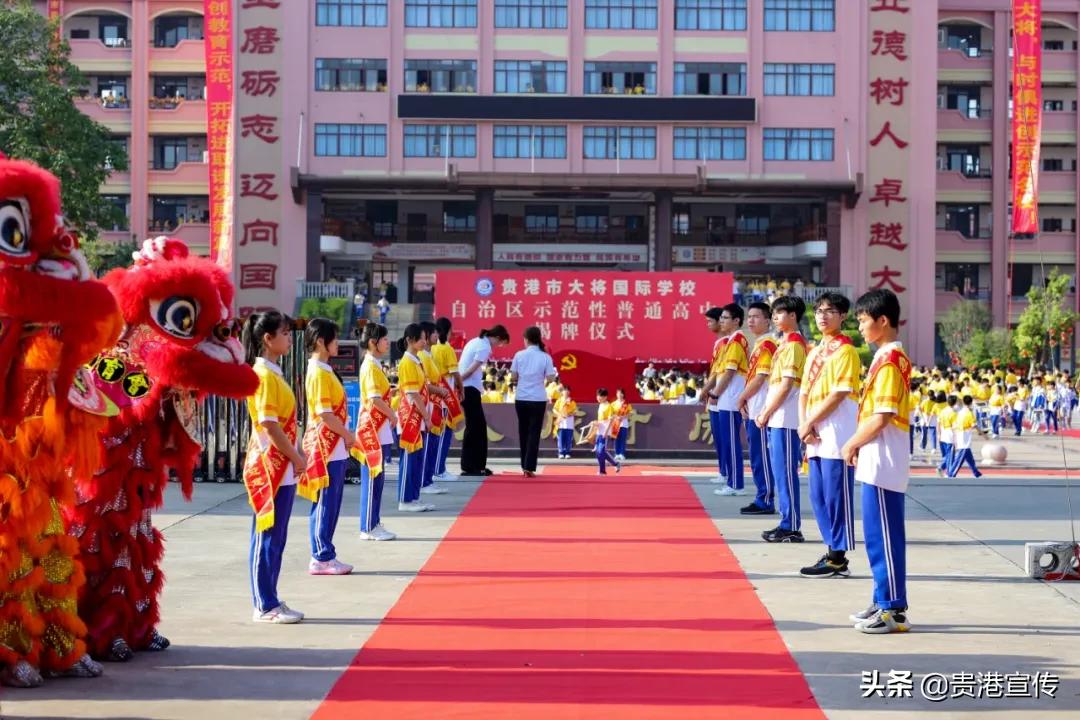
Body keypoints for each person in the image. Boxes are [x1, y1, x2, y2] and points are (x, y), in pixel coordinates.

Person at [842, 288, 911, 634]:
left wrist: (850, 444)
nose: (861, 328)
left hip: (884, 462)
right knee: (876, 536)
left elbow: (882, 416)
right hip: (877, 461)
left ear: (882, 322)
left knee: (884, 537)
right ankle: (881, 598)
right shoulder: (884, 358)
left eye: (864, 321)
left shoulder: (890, 361)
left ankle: (893, 609)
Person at [242, 311, 306, 624]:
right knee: (267, 535)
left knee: (276, 536)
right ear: (268, 339)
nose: (289, 338)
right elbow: (268, 424)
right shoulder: (264, 376)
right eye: (285, 333)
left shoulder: (273, 373)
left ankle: (270, 597)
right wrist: (294, 456)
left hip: (282, 462)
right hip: (271, 463)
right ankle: (264, 603)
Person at [798, 292, 860, 578]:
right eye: (820, 311)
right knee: (818, 495)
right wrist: (804, 425)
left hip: (837, 431)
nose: (823, 316)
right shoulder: (814, 351)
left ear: (843, 316)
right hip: (814, 431)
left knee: (836, 494)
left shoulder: (846, 351)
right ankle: (831, 548)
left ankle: (838, 556)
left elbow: (839, 394)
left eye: (831, 311)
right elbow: (804, 393)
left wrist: (809, 422)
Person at [301, 318, 355, 576]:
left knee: (331, 502)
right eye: (334, 338)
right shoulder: (318, 372)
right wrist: (347, 434)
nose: (338, 343)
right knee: (325, 502)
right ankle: (321, 556)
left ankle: (326, 553)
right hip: (326, 444)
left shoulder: (325, 370)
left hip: (334, 444)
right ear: (321, 341)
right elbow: (324, 414)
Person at [757, 296, 808, 543]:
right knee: (780, 473)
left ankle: (791, 525)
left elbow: (787, 385)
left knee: (786, 474)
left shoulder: (795, 345)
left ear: (793, 316)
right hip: (779, 417)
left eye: (779, 314)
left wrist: (767, 411)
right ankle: (786, 521)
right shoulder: (785, 345)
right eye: (774, 314)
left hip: (787, 419)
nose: (775, 318)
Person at [353, 323, 397, 541]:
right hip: (371, 427)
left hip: (377, 427)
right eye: (384, 338)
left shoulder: (376, 364)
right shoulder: (369, 366)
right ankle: (368, 526)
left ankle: (374, 522)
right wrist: (392, 414)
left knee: (377, 477)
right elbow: (374, 399)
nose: (387, 342)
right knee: (372, 478)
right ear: (373, 342)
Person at [737, 302, 776, 516]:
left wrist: (741, 398)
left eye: (756, 317)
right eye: (749, 317)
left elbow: (761, 377)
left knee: (761, 457)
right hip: (754, 408)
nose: (750, 320)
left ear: (767, 320)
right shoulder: (759, 344)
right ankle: (761, 496)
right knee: (755, 456)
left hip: (761, 409)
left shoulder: (768, 345)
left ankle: (765, 499)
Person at [459, 325, 511, 476]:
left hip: (467, 388)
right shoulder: (484, 347)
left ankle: (471, 465)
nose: (498, 346)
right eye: (501, 343)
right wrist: (459, 382)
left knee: (474, 427)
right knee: (477, 428)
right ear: (498, 337)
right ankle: (475, 466)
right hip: (469, 389)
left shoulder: (475, 341)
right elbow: (469, 370)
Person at [395, 324, 435, 512]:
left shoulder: (416, 360)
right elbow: (412, 394)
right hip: (410, 417)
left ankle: (413, 497)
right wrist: (426, 416)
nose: (424, 342)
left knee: (417, 460)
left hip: (418, 416)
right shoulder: (407, 362)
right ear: (410, 340)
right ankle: (405, 499)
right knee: (409, 459)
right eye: (421, 338)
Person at [713, 303, 750, 498]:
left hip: (731, 397)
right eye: (721, 318)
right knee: (728, 441)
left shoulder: (736, 341)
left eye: (725, 318)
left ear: (736, 320)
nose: (721, 321)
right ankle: (732, 481)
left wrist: (715, 393)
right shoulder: (731, 341)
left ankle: (736, 484)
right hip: (727, 399)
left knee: (732, 442)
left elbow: (730, 371)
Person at [510, 325, 557, 477]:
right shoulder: (545, 357)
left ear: (527, 339)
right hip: (538, 398)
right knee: (534, 432)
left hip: (522, 397)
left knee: (523, 431)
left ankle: (524, 465)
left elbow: (513, 376)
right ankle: (529, 467)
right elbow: (551, 378)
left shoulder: (519, 355)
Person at [418, 322, 451, 497]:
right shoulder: (422, 356)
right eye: (433, 334)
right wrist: (439, 390)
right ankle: (425, 480)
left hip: (436, 403)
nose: (436, 336)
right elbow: (424, 385)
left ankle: (428, 479)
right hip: (429, 403)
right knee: (428, 444)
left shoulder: (429, 355)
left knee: (432, 445)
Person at [431, 317, 464, 483]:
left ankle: (437, 468)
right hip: (446, 397)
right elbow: (455, 372)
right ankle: (439, 469)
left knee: (438, 436)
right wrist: (461, 388)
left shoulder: (432, 349)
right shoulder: (446, 348)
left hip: (435, 396)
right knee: (444, 435)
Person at [703, 307, 730, 486]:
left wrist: (706, 390)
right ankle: (723, 471)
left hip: (720, 396)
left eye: (710, 321)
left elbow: (719, 372)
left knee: (723, 438)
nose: (708, 325)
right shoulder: (719, 342)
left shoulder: (725, 342)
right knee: (719, 438)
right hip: (716, 396)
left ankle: (726, 472)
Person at [586, 388, 621, 475]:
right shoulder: (600, 405)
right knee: (599, 452)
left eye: (600, 396)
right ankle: (614, 464)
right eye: (597, 396)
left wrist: (606, 432)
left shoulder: (608, 406)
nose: (598, 398)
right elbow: (600, 420)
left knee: (601, 451)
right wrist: (595, 423)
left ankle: (603, 470)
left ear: (605, 397)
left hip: (605, 431)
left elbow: (610, 421)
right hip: (599, 431)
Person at [947, 395, 983, 478]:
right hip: (964, 436)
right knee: (960, 457)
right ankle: (951, 473)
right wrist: (983, 435)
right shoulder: (969, 413)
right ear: (971, 403)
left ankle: (976, 473)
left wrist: (958, 399)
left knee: (969, 457)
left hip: (960, 434)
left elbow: (959, 401)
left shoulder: (961, 409)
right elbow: (975, 426)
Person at [935, 393, 956, 477]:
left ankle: (943, 468)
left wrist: (939, 434)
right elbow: (955, 427)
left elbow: (938, 423)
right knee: (950, 455)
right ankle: (947, 471)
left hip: (943, 434)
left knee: (948, 454)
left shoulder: (943, 411)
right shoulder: (954, 413)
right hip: (950, 434)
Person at [553, 385, 578, 458]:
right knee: (560, 438)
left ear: (569, 392)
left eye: (567, 390)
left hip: (569, 422)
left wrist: (570, 414)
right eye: (564, 390)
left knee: (568, 438)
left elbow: (575, 411)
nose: (566, 392)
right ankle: (561, 452)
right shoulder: (559, 401)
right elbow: (554, 409)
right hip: (561, 422)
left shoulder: (572, 401)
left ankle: (567, 452)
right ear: (562, 392)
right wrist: (559, 414)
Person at [612, 388, 634, 461]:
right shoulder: (613, 404)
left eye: (621, 393)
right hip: (616, 424)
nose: (620, 395)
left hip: (624, 424)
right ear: (616, 394)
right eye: (618, 393)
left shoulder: (626, 404)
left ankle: (622, 454)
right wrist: (617, 417)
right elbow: (611, 414)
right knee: (616, 439)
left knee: (623, 439)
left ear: (623, 394)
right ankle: (617, 454)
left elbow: (631, 413)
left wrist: (624, 417)